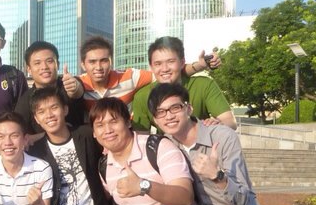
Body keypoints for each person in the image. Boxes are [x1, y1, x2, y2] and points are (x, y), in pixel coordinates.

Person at [78, 35, 216, 111]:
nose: (98, 67)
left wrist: (200, 66)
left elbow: (165, 74)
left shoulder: (129, 77)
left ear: (111, 61)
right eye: (92, 62)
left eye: (104, 61)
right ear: (83, 65)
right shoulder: (79, 84)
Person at [131, 36, 236, 131]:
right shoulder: (142, 96)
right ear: (151, 67)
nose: (165, 69)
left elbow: (230, 122)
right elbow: (141, 138)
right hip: (165, 145)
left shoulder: (204, 85)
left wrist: (216, 125)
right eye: (158, 64)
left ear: (182, 62)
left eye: (171, 62)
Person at [13, 41, 86, 142]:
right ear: (29, 69)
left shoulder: (68, 83)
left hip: (80, 145)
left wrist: (75, 88)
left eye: (49, 61)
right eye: (37, 63)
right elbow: (16, 130)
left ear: (58, 64)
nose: (44, 67)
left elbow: (77, 92)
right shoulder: (25, 100)